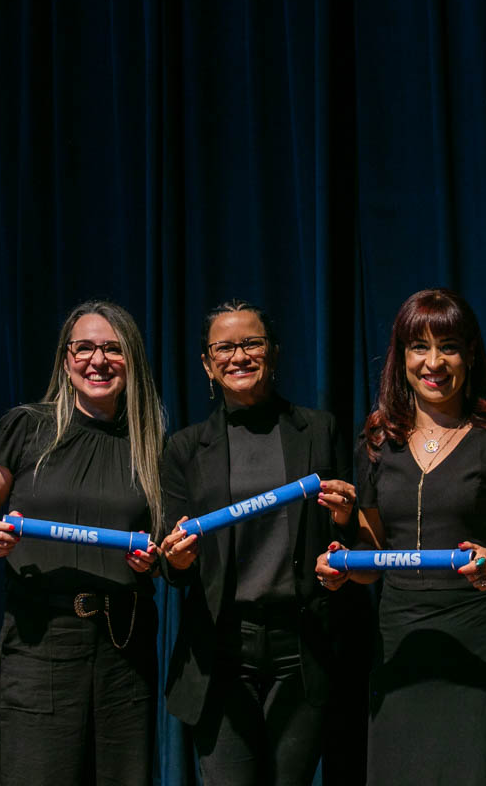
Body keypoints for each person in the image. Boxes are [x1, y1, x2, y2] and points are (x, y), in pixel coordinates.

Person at [314, 288, 486, 784]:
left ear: (470, 354)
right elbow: (371, 562)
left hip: (479, 635)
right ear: (402, 356)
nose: (434, 362)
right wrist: (341, 562)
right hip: (402, 640)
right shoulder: (378, 441)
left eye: (449, 346)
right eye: (420, 347)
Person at [0, 300, 164, 786]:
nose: (98, 361)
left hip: (123, 645)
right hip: (39, 640)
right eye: (84, 348)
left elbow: (161, 547)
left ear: (132, 359)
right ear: (66, 359)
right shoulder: (26, 427)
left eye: (113, 349)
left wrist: (151, 561)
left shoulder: (151, 442)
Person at [159, 299, 356, 786]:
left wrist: (345, 521)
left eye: (251, 343)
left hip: (303, 647)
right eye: (223, 348)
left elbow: (346, 538)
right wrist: (177, 559)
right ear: (207, 364)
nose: (239, 356)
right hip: (222, 652)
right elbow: (173, 566)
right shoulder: (184, 448)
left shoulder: (320, 429)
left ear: (273, 352)